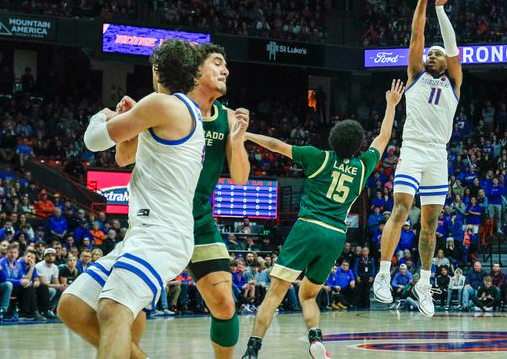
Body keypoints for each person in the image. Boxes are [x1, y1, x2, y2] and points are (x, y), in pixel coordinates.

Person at [57, 39, 206, 359]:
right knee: (72, 306)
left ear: (156, 71)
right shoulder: (171, 111)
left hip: (163, 233)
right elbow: (125, 157)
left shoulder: (163, 104)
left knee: (112, 309)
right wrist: (132, 118)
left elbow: (94, 141)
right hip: (144, 233)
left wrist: (104, 115)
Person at [241, 80, 404, 359]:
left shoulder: (318, 158)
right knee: (308, 295)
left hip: (308, 227)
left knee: (274, 294)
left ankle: (252, 350)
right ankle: (316, 340)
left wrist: (247, 134)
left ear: (334, 139)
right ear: (356, 145)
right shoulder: (363, 165)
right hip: (336, 236)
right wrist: (391, 105)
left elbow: (276, 145)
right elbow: (383, 138)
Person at [111, 43, 250, 359]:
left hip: (198, 222)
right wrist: (131, 126)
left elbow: (240, 178)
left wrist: (238, 141)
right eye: (217, 62)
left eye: (226, 64)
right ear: (196, 70)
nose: (225, 69)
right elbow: (123, 157)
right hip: (157, 222)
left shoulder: (227, 118)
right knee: (132, 308)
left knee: (225, 304)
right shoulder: (163, 106)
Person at [374, 0, 462, 318]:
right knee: (401, 207)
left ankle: (423, 283)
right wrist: (424, 3)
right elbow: (416, 36)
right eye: (430, 53)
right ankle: (383, 275)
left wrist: (441, 9)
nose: (432, 55)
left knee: (430, 223)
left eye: (437, 54)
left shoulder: (453, 82)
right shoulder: (415, 75)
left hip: (438, 154)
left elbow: (452, 48)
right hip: (412, 148)